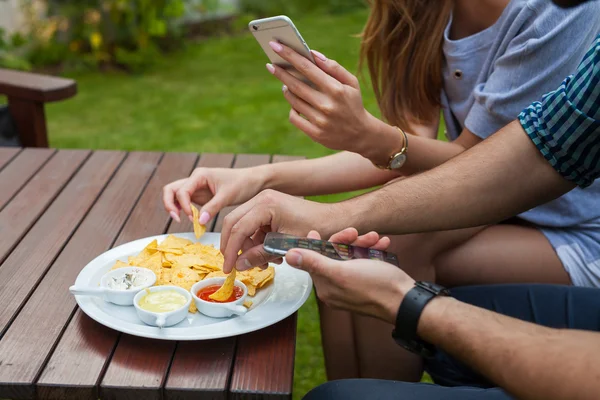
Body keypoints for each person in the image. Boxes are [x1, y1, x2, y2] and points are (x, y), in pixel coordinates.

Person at [164, 0, 600, 380]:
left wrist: (370, 138)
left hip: (573, 230)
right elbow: (403, 151)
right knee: (338, 250)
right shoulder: (419, 12)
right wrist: (260, 177)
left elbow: (496, 170)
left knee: (390, 245)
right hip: (499, 212)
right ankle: (345, 391)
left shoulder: (554, 13)